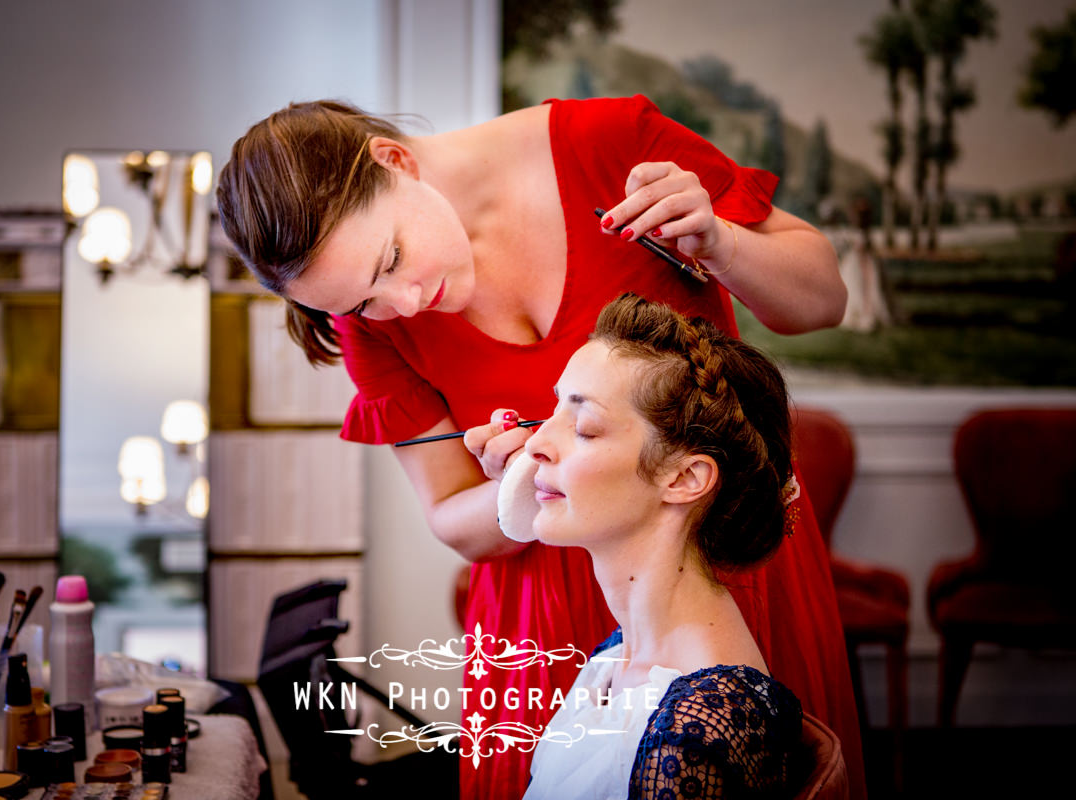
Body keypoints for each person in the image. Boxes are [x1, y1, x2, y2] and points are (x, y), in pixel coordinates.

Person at [217, 94, 864, 799]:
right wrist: (530, 473)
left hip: (718, 568)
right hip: (546, 613)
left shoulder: (610, 141)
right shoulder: (369, 323)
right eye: (361, 303)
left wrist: (721, 243)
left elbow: (823, 302)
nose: (401, 306)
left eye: (392, 259)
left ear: (396, 161)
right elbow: (451, 517)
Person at [468, 293, 804, 799]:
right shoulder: (618, 655)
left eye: (582, 427)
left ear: (686, 476)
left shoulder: (703, 728)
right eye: (553, 410)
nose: (535, 444)